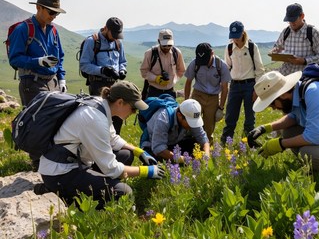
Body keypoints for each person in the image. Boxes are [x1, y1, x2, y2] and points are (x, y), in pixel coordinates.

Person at [37, 81, 164, 209]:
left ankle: (98, 187)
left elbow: (113, 139)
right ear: (120, 102)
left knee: (126, 154)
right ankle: (64, 196)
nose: (134, 112)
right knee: (123, 192)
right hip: (60, 173)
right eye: (133, 108)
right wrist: (146, 171)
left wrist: (138, 151)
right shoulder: (95, 119)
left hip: (76, 163)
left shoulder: (101, 105)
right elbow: (112, 169)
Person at [8, 0, 67, 107]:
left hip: (53, 82)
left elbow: (60, 57)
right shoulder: (23, 29)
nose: (54, 16)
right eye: (51, 12)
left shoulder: (53, 31)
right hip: (31, 83)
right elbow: (14, 59)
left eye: (57, 13)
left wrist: (61, 79)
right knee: (37, 123)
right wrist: (38, 61)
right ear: (38, 7)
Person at [79, 17, 127, 134]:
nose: (115, 37)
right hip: (98, 85)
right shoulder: (92, 42)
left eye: (118, 35)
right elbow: (84, 65)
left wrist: (122, 71)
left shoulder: (117, 43)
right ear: (106, 28)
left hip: (114, 84)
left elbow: (122, 62)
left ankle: (115, 146)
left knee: (117, 117)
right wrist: (103, 70)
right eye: (113, 34)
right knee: (100, 118)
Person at [220, 21, 265, 144]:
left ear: (243, 33)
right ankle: (225, 141)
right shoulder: (229, 48)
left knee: (250, 116)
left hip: (250, 85)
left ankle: (249, 141)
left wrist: (257, 89)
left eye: (237, 35)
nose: (234, 38)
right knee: (230, 116)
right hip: (234, 85)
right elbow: (227, 67)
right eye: (233, 36)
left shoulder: (252, 47)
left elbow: (259, 69)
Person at [184, 43, 231, 142]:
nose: (204, 63)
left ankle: (207, 149)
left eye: (206, 59)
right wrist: (186, 102)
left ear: (212, 53)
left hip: (213, 99)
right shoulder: (195, 63)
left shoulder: (221, 66)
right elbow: (188, 82)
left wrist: (221, 108)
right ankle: (190, 145)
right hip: (197, 95)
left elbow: (225, 88)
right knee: (191, 123)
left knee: (209, 128)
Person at [141, 98, 210, 162]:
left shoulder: (190, 115)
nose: (192, 125)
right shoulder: (163, 119)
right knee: (156, 165)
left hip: (174, 143)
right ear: (179, 115)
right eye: (190, 122)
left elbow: (202, 136)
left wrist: (206, 154)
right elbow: (158, 148)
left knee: (196, 145)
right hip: (153, 146)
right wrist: (185, 160)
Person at [271, 3, 319, 76]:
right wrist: (276, 50)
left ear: (302, 16)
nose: (291, 23)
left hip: (305, 76)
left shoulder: (313, 32)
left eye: (294, 20)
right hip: (286, 75)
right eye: (289, 21)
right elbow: (278, 46)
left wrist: (304, 61)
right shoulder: (286, 32)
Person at [140, 29, 185, 99]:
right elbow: (144, 72)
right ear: (158, 41)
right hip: (154, 91)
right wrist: (156, 79)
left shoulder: (177, 53)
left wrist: (173, 80)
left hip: (170, 91)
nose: (167, 47)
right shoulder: (150, 53)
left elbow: (181, 70)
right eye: (164, 45)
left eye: (169, 45)